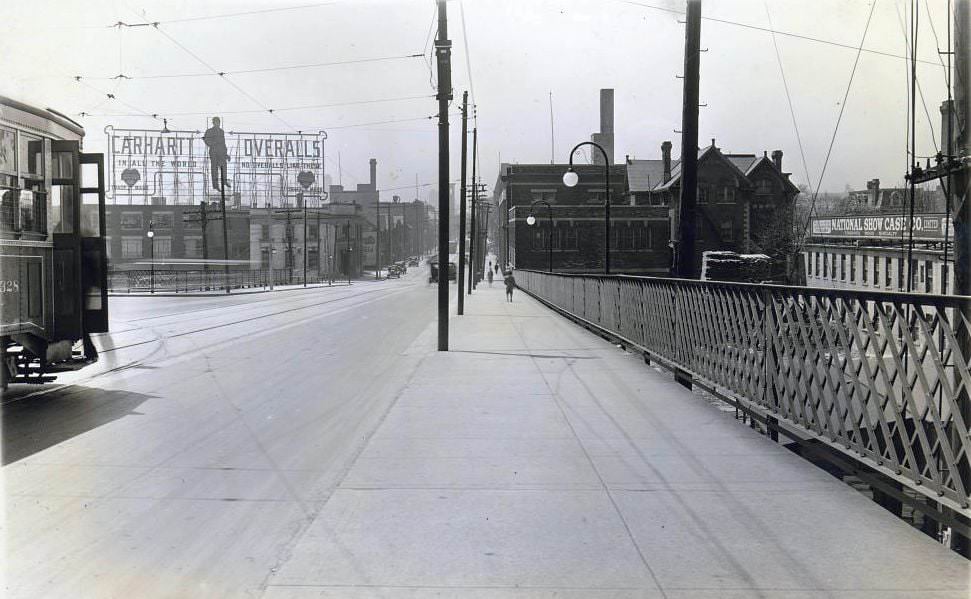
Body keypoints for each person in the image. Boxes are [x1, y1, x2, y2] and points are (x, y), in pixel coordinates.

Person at [202, 116, 230, 191]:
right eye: (216, 122)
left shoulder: (221, 131)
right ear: (213, 123)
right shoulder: (209, 131)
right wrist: (213, 143)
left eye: (219, 122)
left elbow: (223, 143)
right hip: (214, 152)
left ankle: (224, 181)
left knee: (224, 166)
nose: (218, 123)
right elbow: (205, 139)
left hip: (221, 152)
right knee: (214, 169)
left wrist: (226, 154)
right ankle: (215, 185)